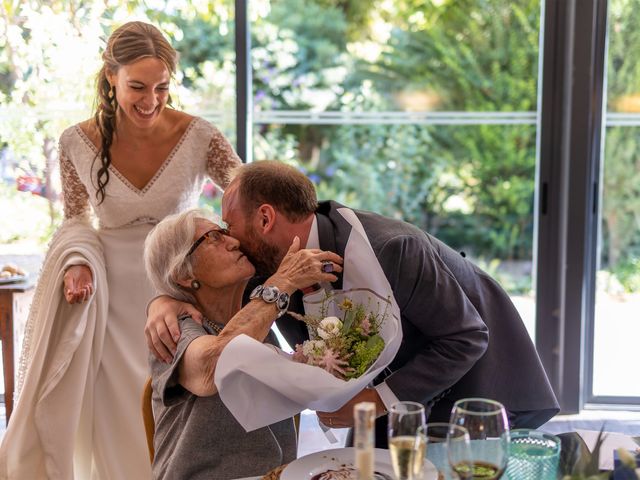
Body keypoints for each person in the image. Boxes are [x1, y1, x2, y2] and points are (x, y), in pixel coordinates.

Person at [147, 160, 560, 449]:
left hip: (479, 389)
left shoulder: (393, 248)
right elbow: (202, 286)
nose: (230, 239)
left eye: (229, 226)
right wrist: (164, 300)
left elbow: (467, 337)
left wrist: (379, 401)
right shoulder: (268, 267)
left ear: (266, 219)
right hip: (392, 402)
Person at [0, 21, 241, 479]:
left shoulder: (201, 135)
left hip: (179, 292)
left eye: (162, 88)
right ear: (111, 76)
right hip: (110, 299)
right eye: (137, 87)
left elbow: (245, 194)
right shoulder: (75, 141)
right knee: (120, 421)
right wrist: (75, 264)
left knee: (176, 408)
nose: (150, 101)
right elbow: (76, 218)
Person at [143, 208, 342, 479]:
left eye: (226, 232)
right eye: (213, 237)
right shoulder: (175, 330)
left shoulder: (256, 323)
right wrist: (283, 282)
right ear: (183, 274)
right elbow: (213, 367)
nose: (234, 241)